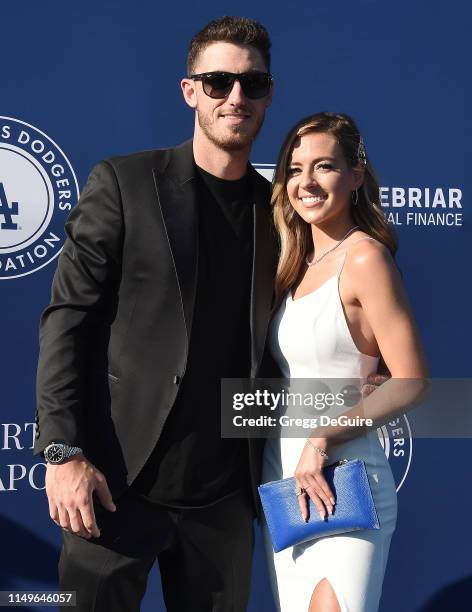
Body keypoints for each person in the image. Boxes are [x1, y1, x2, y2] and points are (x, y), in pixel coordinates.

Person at [33, 16, 278, 612]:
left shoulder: (280, 213)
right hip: (115, 487)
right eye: (218, 83)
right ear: (190, 91)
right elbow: (69, 321)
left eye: (253, 83)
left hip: (224, 500)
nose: (236, 98)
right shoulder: (125, 183)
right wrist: (63, 453)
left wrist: (361, 383)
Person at [261, 112, 428, 612]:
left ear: (356, 175)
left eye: (324, 167)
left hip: (346, 480)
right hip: (288, 485)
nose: (306, 182)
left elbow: (412, 381)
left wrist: (323, 437)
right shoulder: (291, 265)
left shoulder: (364, 259)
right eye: (294, 169)